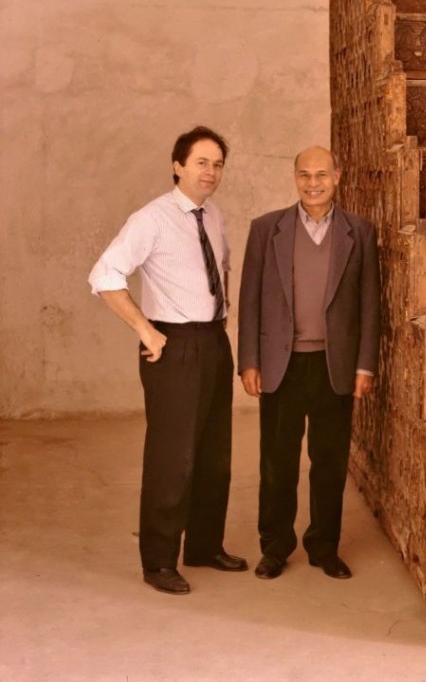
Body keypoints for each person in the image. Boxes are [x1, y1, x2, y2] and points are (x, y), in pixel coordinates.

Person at [88, 125, 247, 595]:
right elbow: (104, 275)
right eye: (201, 162)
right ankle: (158, 561)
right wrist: (144, 328)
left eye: (217, 164)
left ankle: (203, 546)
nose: (211, 172)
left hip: (213, 341)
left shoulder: (213, 216)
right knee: (171, 458)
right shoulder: (151, 219)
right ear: (178, 165)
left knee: (214, 454)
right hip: (173, 346)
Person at [238, 145, 380, 581]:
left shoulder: (359, 232)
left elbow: (369, 304)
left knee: (330, 461)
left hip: (334, 366)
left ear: (338, 176)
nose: (313, 182)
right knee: (277, 462)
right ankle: (275, 546)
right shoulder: (267, 230)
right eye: (304, 174)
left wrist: (365, 365)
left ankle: (323, 546)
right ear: (294, 177)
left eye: (322, 174)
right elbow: (250, 299)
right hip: (281, 366)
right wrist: (249, 360)